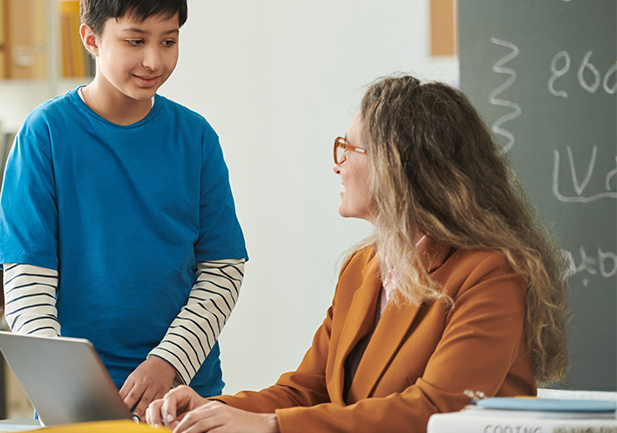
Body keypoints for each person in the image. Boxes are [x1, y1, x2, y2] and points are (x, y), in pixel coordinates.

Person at [146, 75, 569, 432]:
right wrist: (214, 408)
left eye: (348, 149)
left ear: (398, 165)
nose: (338, 165)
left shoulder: (491, 273)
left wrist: (273, 426)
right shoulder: (361, 269)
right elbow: (306, 389)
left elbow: (437, 412)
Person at [0, 0, 248, 419]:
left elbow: (222, 269)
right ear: (91, 39)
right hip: (80, 404)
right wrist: (66, 390)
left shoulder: (196, 137)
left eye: (169, 41)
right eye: (135, 41)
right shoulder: (46, 135)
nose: (154, 60)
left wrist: (167, 362)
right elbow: (27, 283)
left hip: (184, 397)